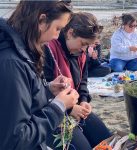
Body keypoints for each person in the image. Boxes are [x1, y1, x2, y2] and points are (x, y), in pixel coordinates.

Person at [0, 1, 80, 150]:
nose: (57, 36)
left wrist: (48, 90)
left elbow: (21, 102)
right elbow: (14, 141)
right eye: (58, 28)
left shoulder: (21, 49)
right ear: (42, 21)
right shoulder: (12, 63)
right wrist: (59, 106)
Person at [44, 12, 111, 150]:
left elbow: (83, 81)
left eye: (88, 45)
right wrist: (70, 109)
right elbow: (41, 92)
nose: (84, 49)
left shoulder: (81, 53)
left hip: (76, 106)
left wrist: (84, 100)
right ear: (70, 33)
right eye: (83, 43)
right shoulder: (48, 49)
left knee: (105, 140)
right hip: (53, 114)